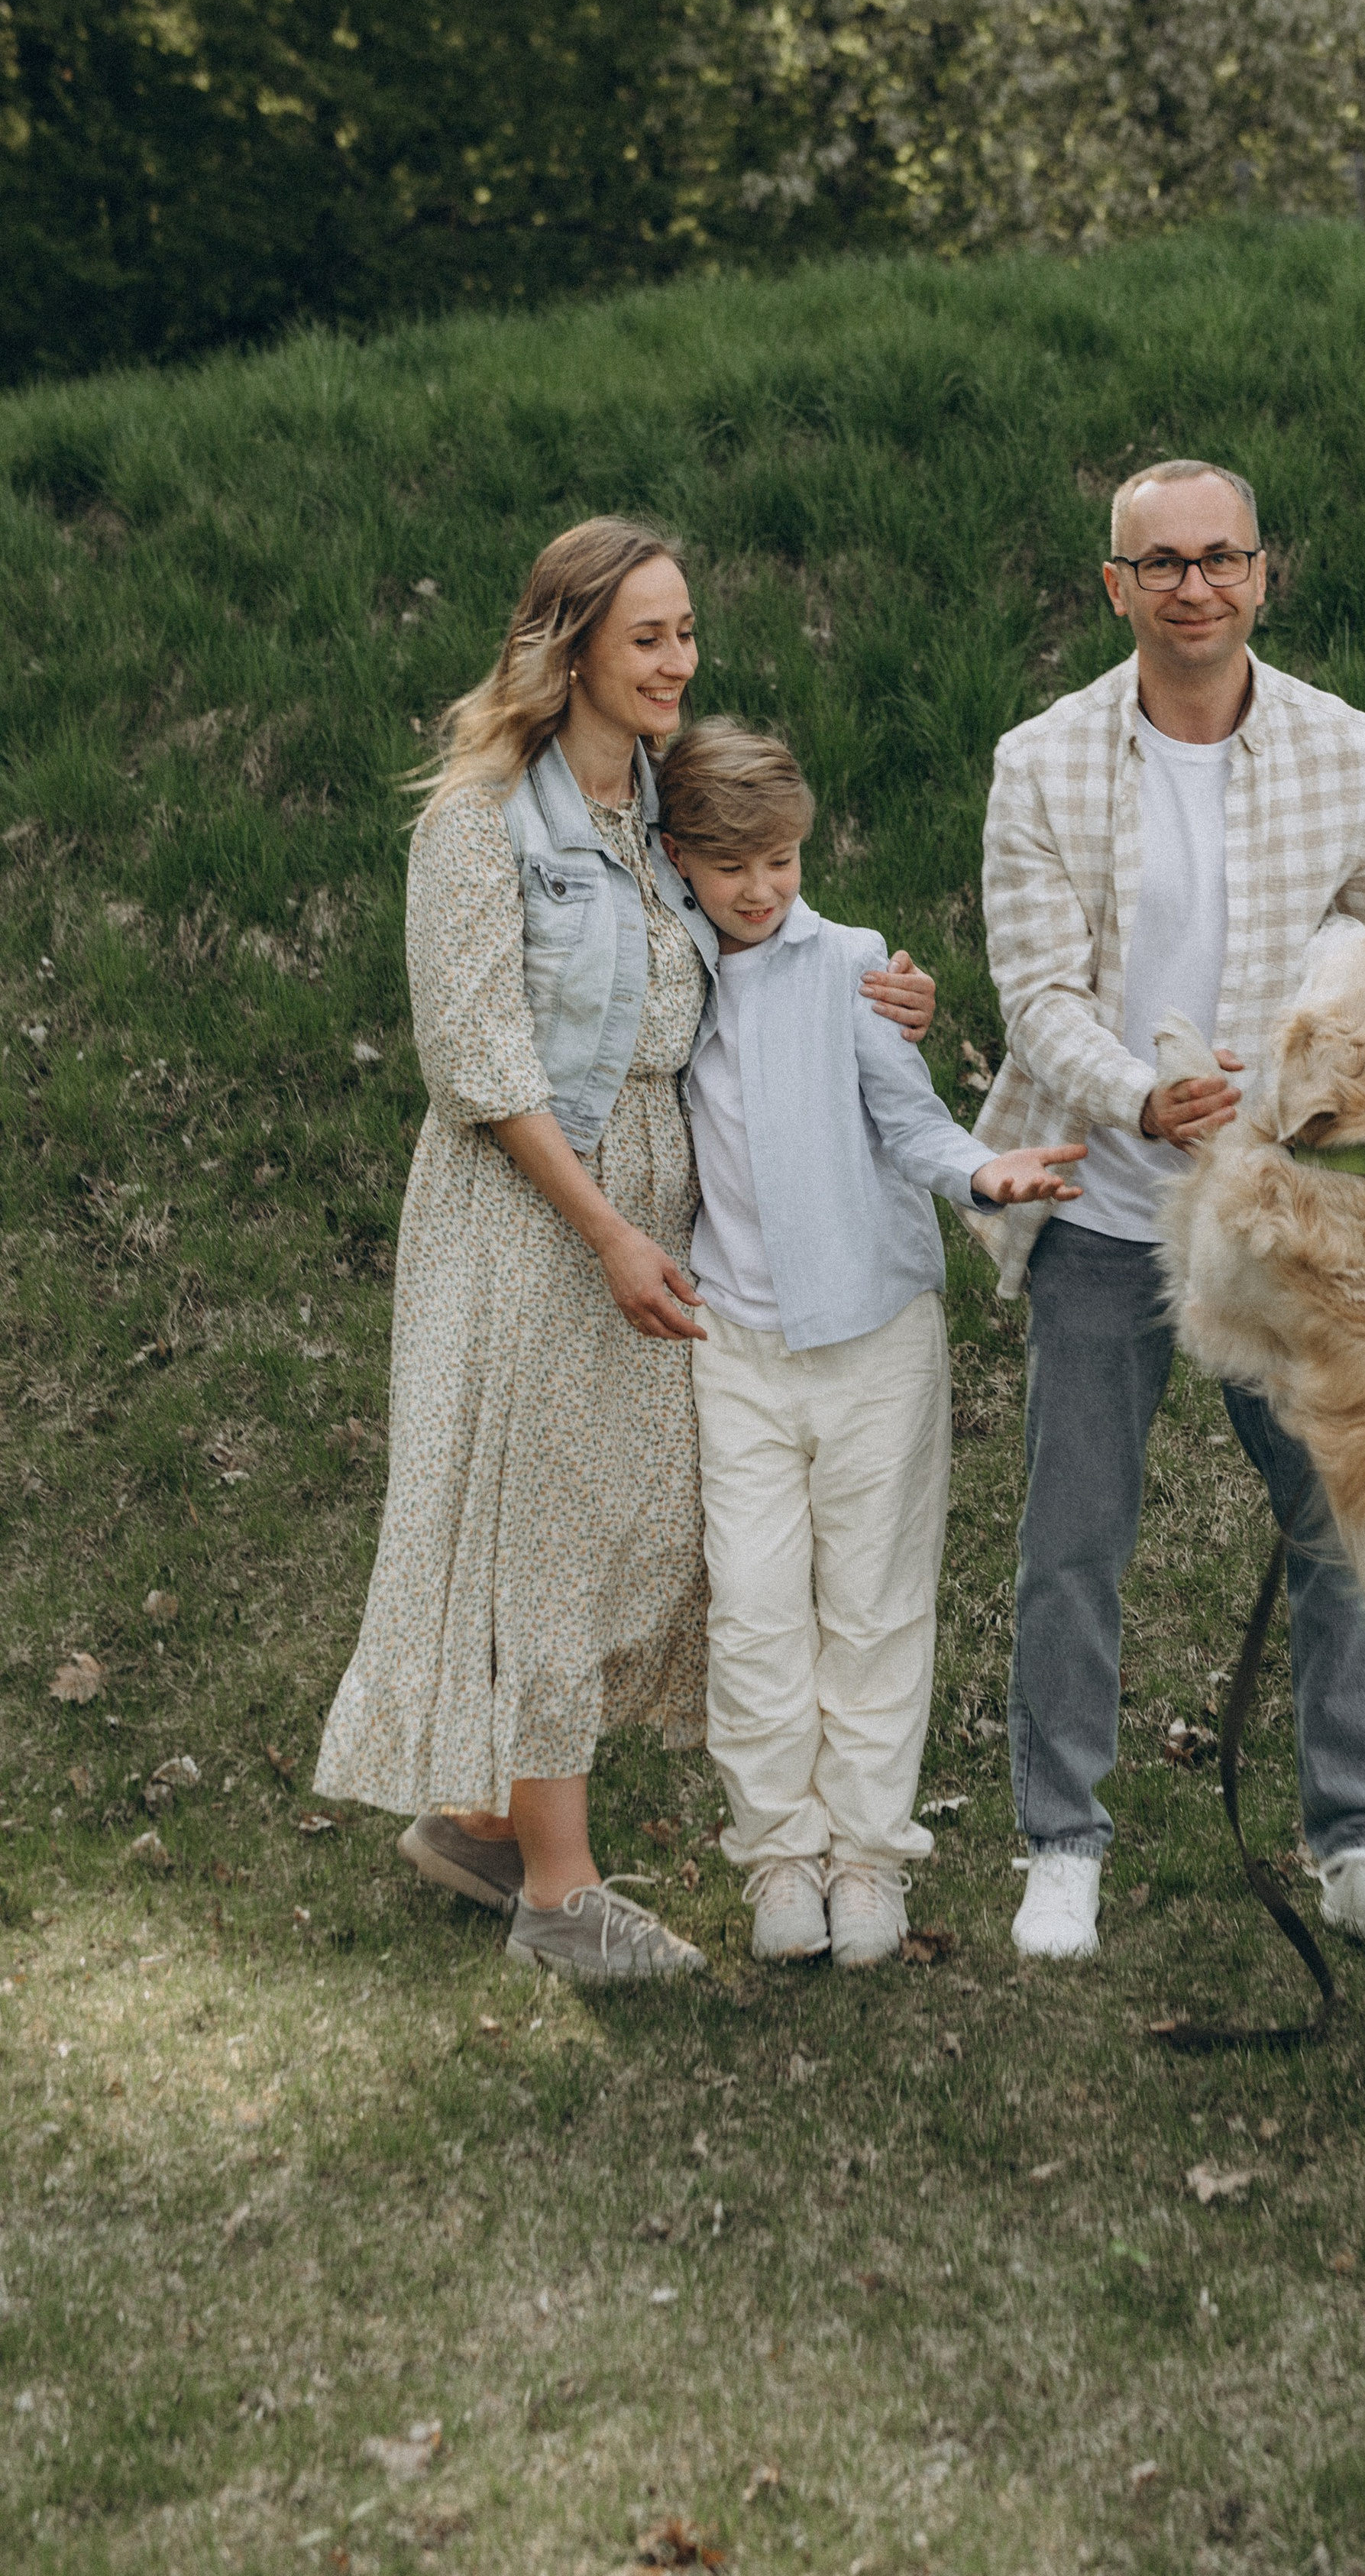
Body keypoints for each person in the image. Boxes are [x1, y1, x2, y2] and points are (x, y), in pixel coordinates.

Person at [312, 519, 936, 1983]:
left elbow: (771, 907)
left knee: (629, 1534)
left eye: (688, 633)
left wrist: (877, 984)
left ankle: (479, 1819)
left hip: (659, 1203)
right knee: (539, 1535)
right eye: (648, 637)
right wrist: (600, 1231)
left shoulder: (662, 806)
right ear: (572, 641)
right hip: (535, 1209)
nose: (678, 661)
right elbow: (475, 1056)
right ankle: (559, 1896)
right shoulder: (483, 817)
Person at [972, 458, 1365, 1964]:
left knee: (1340, 1531)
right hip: (1105, 1200)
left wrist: (1330, 1067)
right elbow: (1036, 993)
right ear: (1113, 586)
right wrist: (1137, 1093)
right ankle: (1060, 1842)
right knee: (1072, 1542)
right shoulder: (1042, 759)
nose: (1193, 584)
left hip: (1288, 1212)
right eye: (1161, 563)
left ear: (1262, 572)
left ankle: (1357, 1836)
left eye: (1220, 557)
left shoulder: (1341, 745)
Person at [655, 719, 1085, 1969]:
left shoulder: (848, 966)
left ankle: (866, 1859)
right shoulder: (666, 976)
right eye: (734, 866)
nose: (762, 888)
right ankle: (777, 1858)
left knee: (876, 1608)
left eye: (782, 860)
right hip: (734, 1345)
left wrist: (983, 1176)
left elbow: (914, 1125)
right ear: (680, 858)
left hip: (876, 1341)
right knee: (752, 1611)